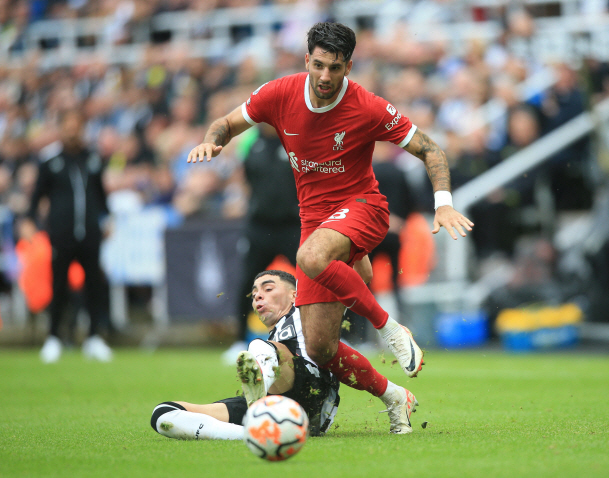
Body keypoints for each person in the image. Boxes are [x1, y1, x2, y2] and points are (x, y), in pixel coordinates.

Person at [187, 22, 473, 391]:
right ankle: (394, 397)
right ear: (307, 60)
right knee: (319, 348)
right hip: (316, 222)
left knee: (308, 256)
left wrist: (444, 204)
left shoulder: (367, 106)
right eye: (318, 65)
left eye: (335, 68)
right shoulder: (278, 94)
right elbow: (225, 123)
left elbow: (430, 149)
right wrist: (212, 142)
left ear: (348, 67)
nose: (325, 75)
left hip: (364, 207)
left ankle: (391, 328)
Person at [151, 270, 418, 439]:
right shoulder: (273, 337)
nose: (258, 297)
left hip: (311, 398)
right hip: (278, 402)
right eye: (255, 293)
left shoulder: (307, 312)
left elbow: (355, 278)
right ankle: (251, 432)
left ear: (295, 295)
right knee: (163, 415)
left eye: (268, 289)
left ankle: (260, 403)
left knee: (258, 348)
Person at [23, 109, 113, 363]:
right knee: (59, 284)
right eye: (68, 126)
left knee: (94, 284)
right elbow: (37, 195)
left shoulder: (92, 159)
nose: (73, 131)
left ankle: (95, 337)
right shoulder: (51, 161)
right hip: (61, 233)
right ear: (61, 129)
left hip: (90, 233)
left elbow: (100, 194)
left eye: (77, 126)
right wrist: (29, 220)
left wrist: (107, 217)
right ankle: (53, 337)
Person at [221, 123, 301, 364]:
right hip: (259, 226)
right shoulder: (249, 143)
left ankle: (331, 336)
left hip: (291, 225)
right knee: (248, 282)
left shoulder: (294, 139)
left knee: (311, 281)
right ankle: (238, 340)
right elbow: (243, 177)